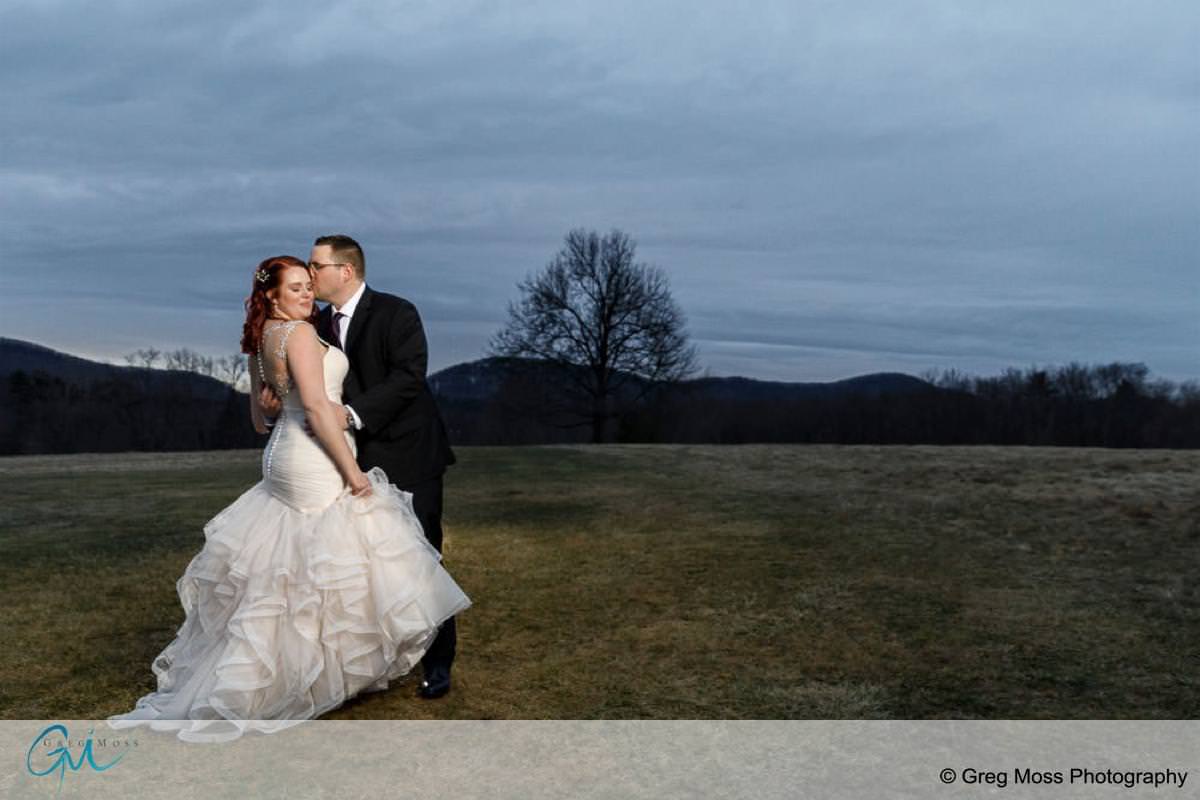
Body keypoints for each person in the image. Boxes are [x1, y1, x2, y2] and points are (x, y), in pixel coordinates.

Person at [107, 256, 470, 743]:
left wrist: (282, 403)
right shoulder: (298, 335)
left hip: (282, 455)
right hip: (314, 457)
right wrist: (352, 472)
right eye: (295, 287)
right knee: (320, 563)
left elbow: (261, 419)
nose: (306, 294)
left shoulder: (261, 337)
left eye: (308, 286)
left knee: (289, 566)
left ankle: (300, 668)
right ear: (272, 296)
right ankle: (287, 678)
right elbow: (319, 409)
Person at [281, 234, 460, 700]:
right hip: (344, 460)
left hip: (408, 452)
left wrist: (352, 414)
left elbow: (408, 377)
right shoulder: (312, 322)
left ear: (347, 271)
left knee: (421, 556)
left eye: (316, 265)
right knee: (360, 566)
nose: (309, 272)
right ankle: (370, 663)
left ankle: (438, 663)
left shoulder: (397, 312)